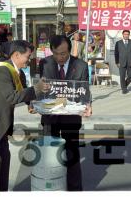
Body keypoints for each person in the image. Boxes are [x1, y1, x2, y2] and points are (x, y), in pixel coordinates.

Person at [0, 40, 50, 191]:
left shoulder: (19, 74)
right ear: (17, 55)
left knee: (3, 163)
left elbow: (24, 94)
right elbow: (12, 97)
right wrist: (37, 88)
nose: (29, 59)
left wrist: (31, 105)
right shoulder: (2, 71)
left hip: (1, 127)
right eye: (28, 56)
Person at [38, 35, 93, 191]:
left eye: (63, 53)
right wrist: (33, 103)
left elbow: (85, 91)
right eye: (55, 53)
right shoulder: (45, 63)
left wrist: (88, 105)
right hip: (50, 116)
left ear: (70, 50)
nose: (59, 57)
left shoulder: (81, 65)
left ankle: (74, 189)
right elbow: (38, 86)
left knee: (72, 154)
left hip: (71, 117)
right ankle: (51, 188)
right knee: (50, 155)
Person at [114, 30, 131, 94]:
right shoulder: (118, 43)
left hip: (130, 62)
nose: (126, 35)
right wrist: (117, 62)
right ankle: (124, 89)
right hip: (121, 62)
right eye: (125, 34)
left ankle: (124, 85)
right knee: (122, 76)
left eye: (127, 34)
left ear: (129, 35)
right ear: (123, 35)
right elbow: (116, 53)